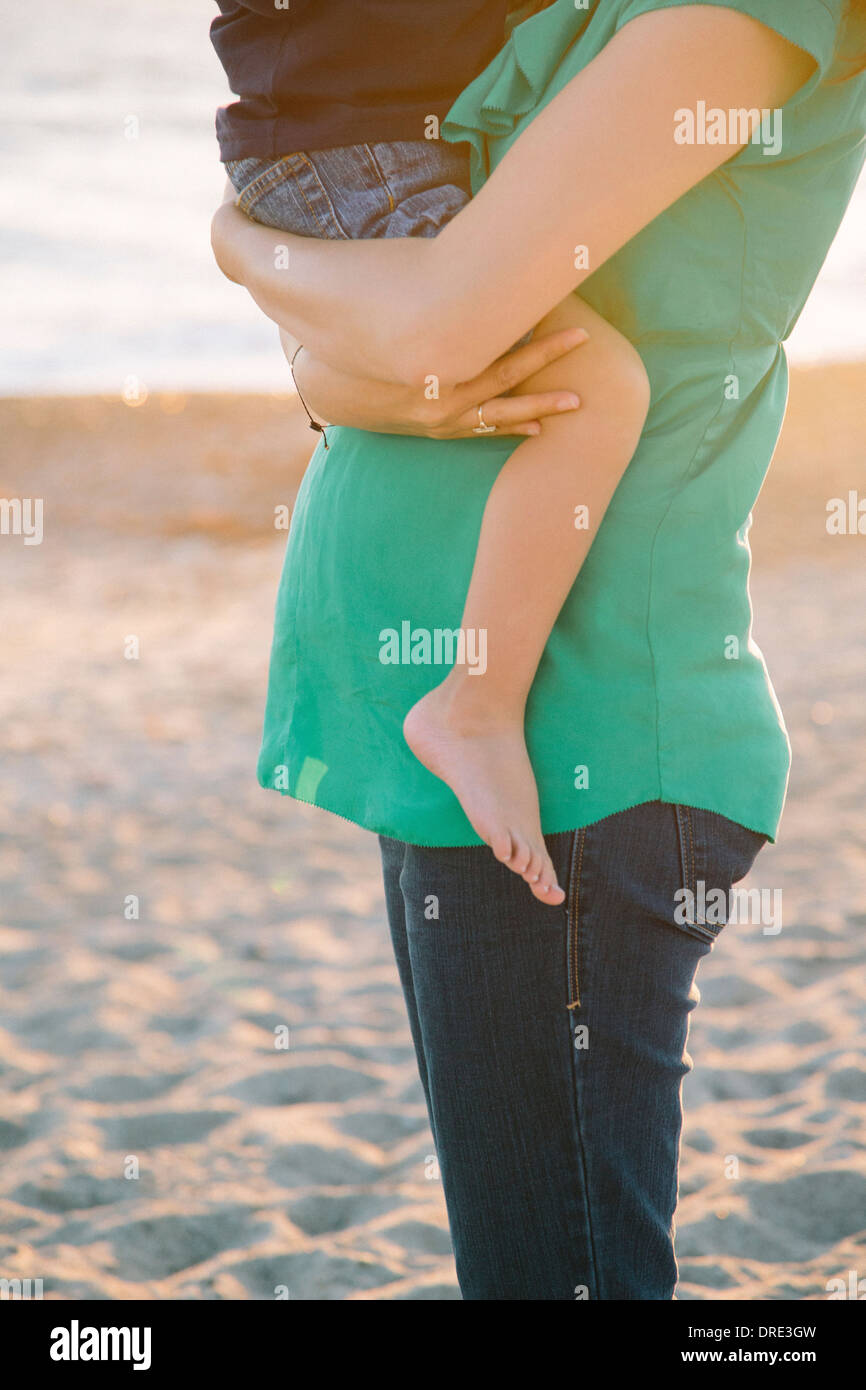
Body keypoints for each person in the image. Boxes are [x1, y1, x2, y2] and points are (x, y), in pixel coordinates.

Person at [211, 0, 866, 1299]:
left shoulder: (739, 19)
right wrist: (348, 332)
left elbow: (431, 332)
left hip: (577, 743)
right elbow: (358, 361)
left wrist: (237, 243)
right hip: (454, 745)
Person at [210, 0, 651, 904]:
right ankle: (474, 708)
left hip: (337, 154)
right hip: (358, 159)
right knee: (596, 387)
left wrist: (237, 245)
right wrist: (237, 248)